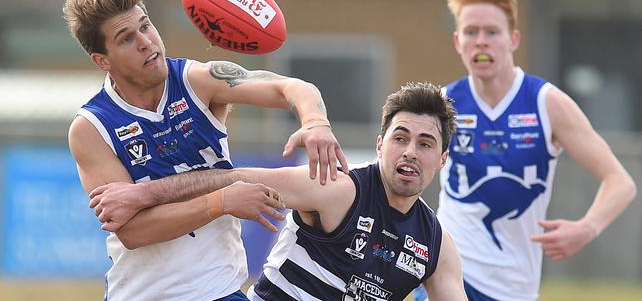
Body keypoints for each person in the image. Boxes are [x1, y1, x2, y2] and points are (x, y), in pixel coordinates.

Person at [63, 0, 348, 301]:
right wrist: (221, 202)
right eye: (126, 38)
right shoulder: (92, 127)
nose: (145, 41)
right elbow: (133, 231)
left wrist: (314, 123)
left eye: (145, 25)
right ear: (102, 60)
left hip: (220, 289)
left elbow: (292, 87)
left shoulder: (198, 80)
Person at [90, 81, 468, 300]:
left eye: (425, 144)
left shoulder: (436, 245)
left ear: (443, 159)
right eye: (400, 138)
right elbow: (228, 177)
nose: (410, 152)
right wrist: (143, 195)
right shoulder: (335, 189)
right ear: (380, 145)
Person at [415, 0, 637, 301]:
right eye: (471, 32)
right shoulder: (441, 103)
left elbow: (620, 181)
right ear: (457, 41)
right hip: (446, 274)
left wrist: (587, 227)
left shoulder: (546, 103)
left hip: (514, 288)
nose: (481, 42)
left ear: (513, 39)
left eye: (492, 32)